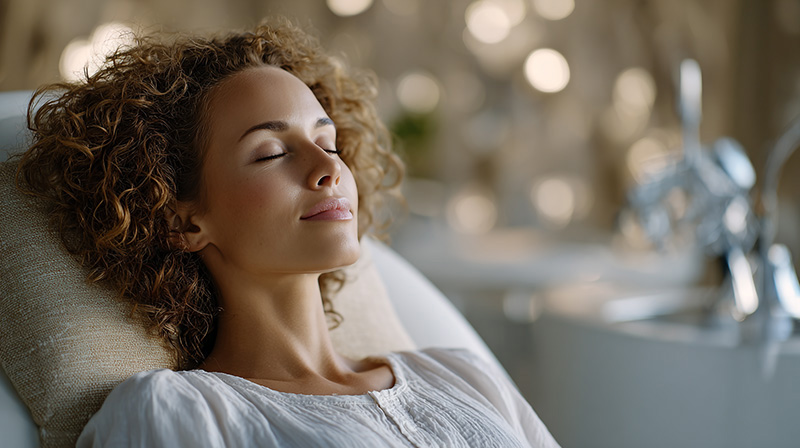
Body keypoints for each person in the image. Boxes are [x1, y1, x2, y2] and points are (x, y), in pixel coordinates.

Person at [17, 17, 560, 448]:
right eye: (271, 153)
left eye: (330, 144)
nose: (328, 170)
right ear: (183, 219)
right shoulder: (181, 413)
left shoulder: (458, 373)